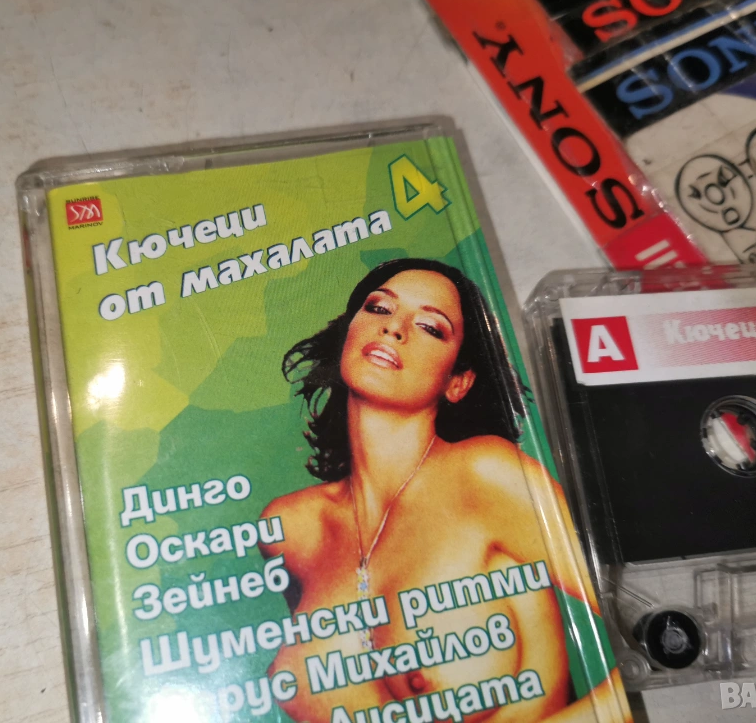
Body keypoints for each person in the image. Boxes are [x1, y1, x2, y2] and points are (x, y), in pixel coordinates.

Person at [260, 259, 630, 723]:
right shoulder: (289, 528)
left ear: (458, 382)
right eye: (378, 308)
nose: (394, 328)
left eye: (431, 328)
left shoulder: (486, 475)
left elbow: (638, 630)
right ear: (348, 334)